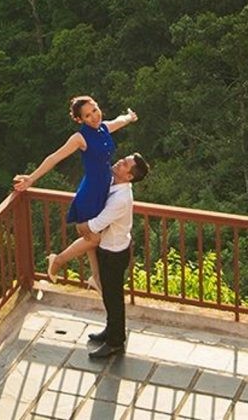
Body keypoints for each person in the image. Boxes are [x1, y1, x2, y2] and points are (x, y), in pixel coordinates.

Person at [13, 96, 138, 288]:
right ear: (80, 120)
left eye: (95, 110)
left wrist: (129, 117)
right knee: (95, 237)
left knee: (92, 238)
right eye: (87, 115)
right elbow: (54, 157)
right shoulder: (80, 138)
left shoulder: (104, 128)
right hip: (90, 193)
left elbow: (118, 122)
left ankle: (95, 278)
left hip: (105, 189)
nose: (94, 117)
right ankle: (58, 260)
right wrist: (31, 178)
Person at [82, 152, 148, 359]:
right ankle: (111, 331)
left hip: (114, 253)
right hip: (108, 247)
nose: (119, 163)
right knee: (110, 297)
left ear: (129, 176)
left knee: (113, 298)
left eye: (124, 164)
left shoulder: (121, 198)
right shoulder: (113, 183)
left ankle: (115, 342)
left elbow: (95, 225)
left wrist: (79, 220)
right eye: (122, 160)